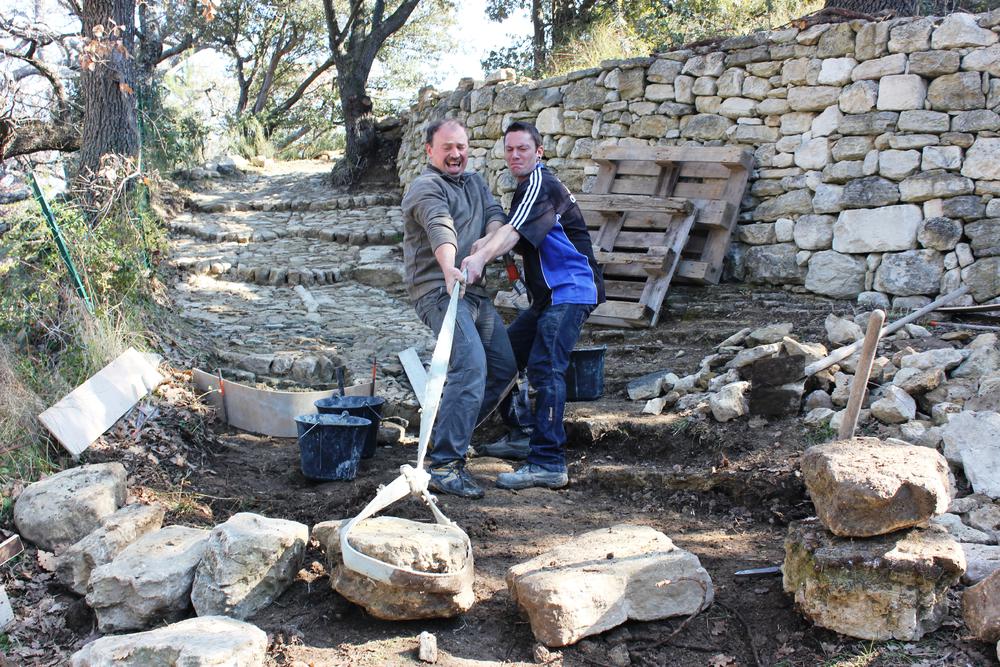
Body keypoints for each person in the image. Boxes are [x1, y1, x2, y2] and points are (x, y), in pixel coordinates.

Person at [461, 121, 605, 490]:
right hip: (547, 298)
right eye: (509, 150)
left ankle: (548, 461)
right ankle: (522, 432)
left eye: (522, 149)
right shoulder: (526, 190)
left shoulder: (543, 183)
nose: (515, 156)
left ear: (538, 152)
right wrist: (476, 249)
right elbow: (505, 232)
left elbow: (510, 234)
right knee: (504, 356)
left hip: (570, 290)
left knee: (545, 367)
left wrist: (479, 261)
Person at [401, 118, 517, 499]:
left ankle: (449, 428)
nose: (456, 154)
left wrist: (487, 238)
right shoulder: (425, 186)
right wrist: (449, 266)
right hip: (438, 290)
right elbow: (440, 226)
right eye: (447, 147)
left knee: (503, 366)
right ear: (430, 151)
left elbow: (495, 213)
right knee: (470, 364)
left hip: (473, 293)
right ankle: (446, 465)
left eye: (461, 147)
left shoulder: (475, 182)